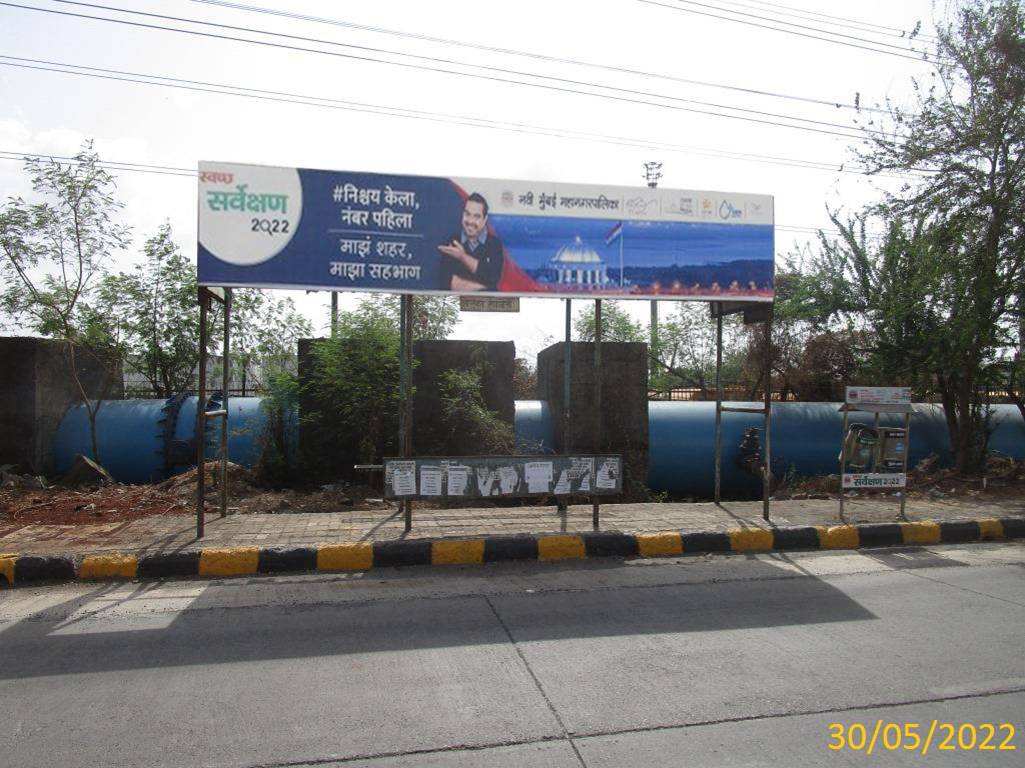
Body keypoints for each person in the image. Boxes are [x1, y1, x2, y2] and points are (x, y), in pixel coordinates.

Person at [437, 192, 504, 291]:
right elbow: (445, 282)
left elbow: (493, 279)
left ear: (485, 219)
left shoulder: (495, 245)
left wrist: (462, 257)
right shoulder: (452, 242)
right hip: (455, 301)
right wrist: (484, 289)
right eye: (467, 214)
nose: (470, 221)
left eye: (476, 216)